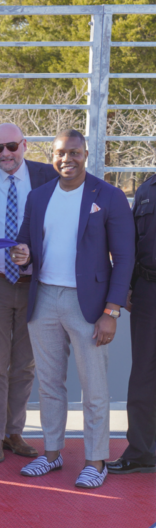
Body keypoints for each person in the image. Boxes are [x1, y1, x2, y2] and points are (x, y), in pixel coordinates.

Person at [11, 130, 134, 488]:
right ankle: (52, 454)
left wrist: (111, 311)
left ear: (85, 154)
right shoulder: (38, 196)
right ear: (52, 155)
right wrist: (22, 254)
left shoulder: (108, 196)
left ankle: (96, 461)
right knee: (49, 384)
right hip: (44, 298)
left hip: (90, 304)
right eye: (60, 153)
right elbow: (25, 244)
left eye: (75, 153)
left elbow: (124, 258)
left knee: (94, 388)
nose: (67, 159)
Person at [0, 123, 55, 462]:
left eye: (11, 146)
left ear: (25, 145)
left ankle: (14, 432)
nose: (5, 153)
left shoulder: (48, 176)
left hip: (35, 285)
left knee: (24, 365)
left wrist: (33, 252)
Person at [110, 171, 156, 475]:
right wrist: (127, 286)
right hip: (148, 290)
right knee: (143, 375)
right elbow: (133, 244)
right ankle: (141, 451)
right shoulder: (147, 188)